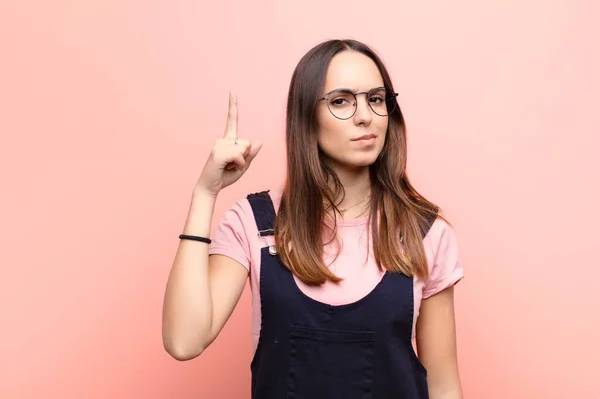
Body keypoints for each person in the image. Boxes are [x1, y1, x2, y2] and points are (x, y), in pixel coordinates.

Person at [162, 39, 464, 398]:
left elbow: (443, 386)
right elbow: (184, 341)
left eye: (376, 98)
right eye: (341, 101)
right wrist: (205, 193)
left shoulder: (424, 233)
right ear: (307, 116)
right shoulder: (256, 224)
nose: (365, 115)